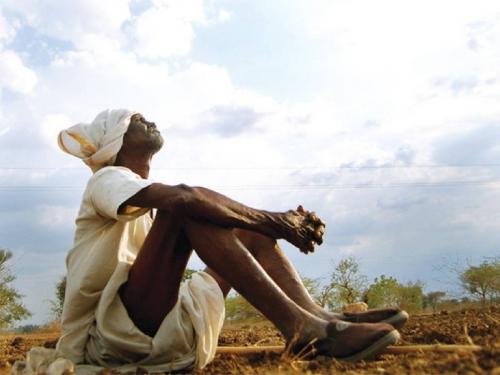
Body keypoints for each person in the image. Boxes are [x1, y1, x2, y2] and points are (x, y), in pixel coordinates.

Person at [15, 109, 408, 374]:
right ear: (118, 142)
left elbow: (192, 200)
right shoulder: (106, 179)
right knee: (186, 208)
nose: (147, 120)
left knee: (243, 230)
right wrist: (280, 222)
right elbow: (187, 198)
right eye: (135, 119)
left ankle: (321, 320)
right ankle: (300, 329)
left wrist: (267, 226)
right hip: (115, 334)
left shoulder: (136, 193)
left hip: (162, 325)